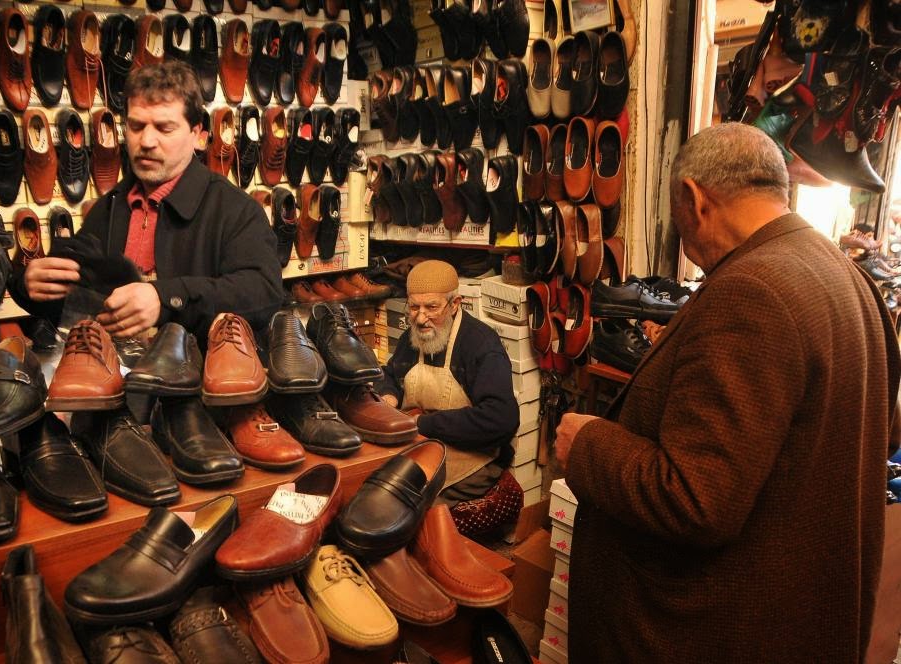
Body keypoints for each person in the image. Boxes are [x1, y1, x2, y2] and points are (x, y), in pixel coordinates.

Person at [554, 123, 900, 662]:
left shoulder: (751, 291)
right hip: (798, 617)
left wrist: (588, 445)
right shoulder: (848, 277)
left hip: (711, 631)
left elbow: (696, 500)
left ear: (694, 199)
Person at [8, 61, 283, 343]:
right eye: (136, 126)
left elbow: (264, 293)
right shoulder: (108, 210)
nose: (147, 141)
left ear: (197, 135)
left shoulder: (235, 210)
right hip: (115, 366)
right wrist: (29, 286)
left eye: (165, 128)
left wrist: (166, 298)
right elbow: (76, 306)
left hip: (202, 368)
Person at [380, 260, 522, 533]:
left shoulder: (481, 344)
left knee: (404, 511)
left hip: (472, 458)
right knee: (376, 489)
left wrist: (423, 424)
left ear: (455, 303)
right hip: (421, 445)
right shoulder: (415, 336)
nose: (421, 318)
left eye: (432, 307)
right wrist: (388, 397)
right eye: (414, 307)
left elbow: (501, 419)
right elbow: (390, 374)